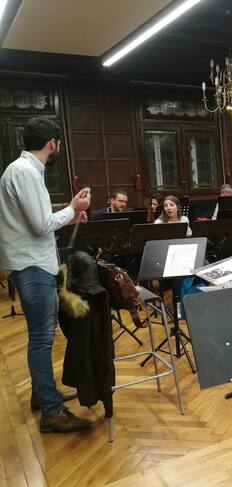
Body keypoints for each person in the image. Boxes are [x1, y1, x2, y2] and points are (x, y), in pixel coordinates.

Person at [0, 117, 92, 433]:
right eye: (59, 143)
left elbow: (35, 221)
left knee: (41, 336)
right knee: (42, 338)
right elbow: (41, 225)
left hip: (29, 263)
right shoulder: (25, 172)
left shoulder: (22, 170)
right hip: (32, 265)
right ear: (53, 143)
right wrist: (73, 207)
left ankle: (43, 394)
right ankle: (51, 412)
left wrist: (68, 215)